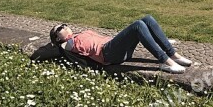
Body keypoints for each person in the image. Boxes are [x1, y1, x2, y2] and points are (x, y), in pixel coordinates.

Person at [49, 15, 192, 74]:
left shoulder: (76, 35)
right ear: (58, 38)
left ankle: (173, 55)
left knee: (147, 19)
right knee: (137, 26)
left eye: (64, 24)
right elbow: (56, 48)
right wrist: (57, 42)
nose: (64, 26)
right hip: (107, 53)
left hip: (114, 46)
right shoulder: (67, 44)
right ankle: (166, 62)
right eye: (60, 28)